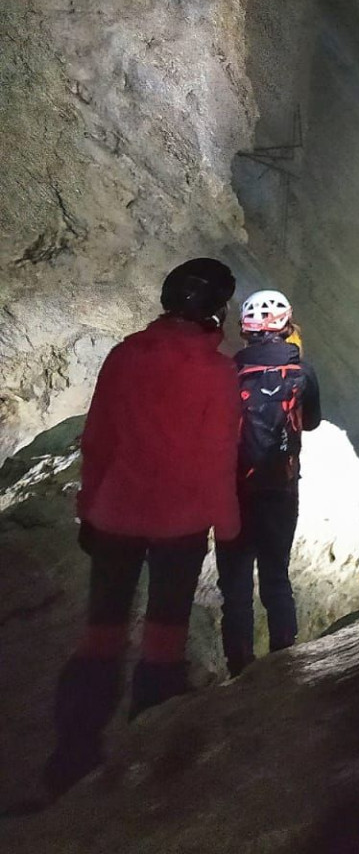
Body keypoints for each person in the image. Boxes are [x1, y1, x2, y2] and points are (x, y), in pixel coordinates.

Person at [45, 259, 241, 797]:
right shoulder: (217, 373)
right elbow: (217, 461)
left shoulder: (125, 355)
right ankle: (150, 764)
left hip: (117, 513)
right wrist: (228, 531)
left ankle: (73, 756)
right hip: (179, 522)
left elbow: (99, 440)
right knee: (164, 638)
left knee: (101, 634)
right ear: (215, 311)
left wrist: (89, 507)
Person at [216, 289, 321, 677]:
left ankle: (239, 668)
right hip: (281, 487)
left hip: (235, 491)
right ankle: (284, 664)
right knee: (277, 577)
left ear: (245, 328)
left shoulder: (228, 372)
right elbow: (311, 422)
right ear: (286, 323)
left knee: (235, 586)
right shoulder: (303, 372)